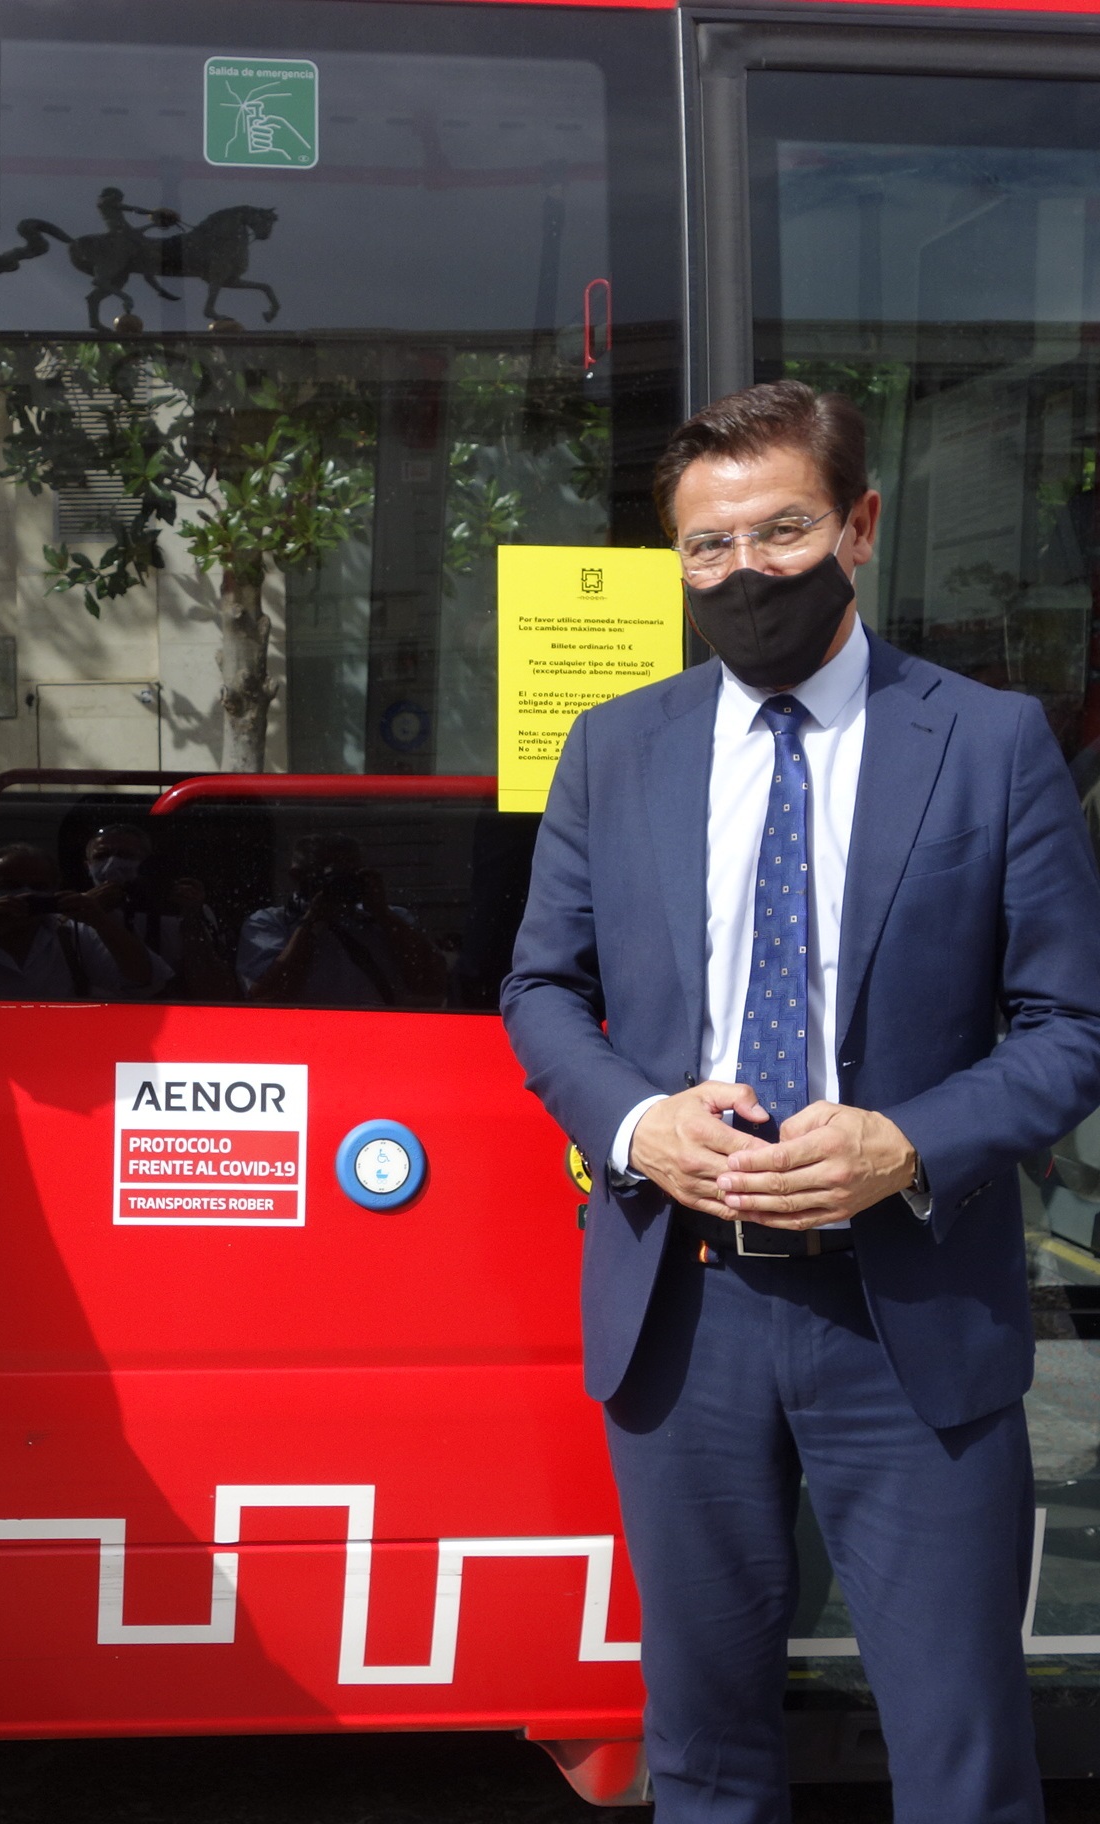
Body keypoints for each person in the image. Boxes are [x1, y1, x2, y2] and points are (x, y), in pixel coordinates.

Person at [500, 380, 1100, 1823]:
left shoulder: (990, 742)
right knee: (704, 1758)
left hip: (910, 1325)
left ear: (860, 527)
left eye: (783, 530)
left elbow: (1070, 1025)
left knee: (959, 1758)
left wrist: (908, 1140)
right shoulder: (615, 746)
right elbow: (537, 993)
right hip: (682, 1320)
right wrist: (640, 1125)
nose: (745, 570)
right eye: (709, 547)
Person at [0, 840, 171, 999]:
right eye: (11, 885)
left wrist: (101, 921)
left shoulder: (72, 936)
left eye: (39, 888)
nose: (25, 895)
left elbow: (147, 979)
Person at [240, 833, 445, 1007]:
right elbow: (266, 995)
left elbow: (432, 983)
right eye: (330, 876)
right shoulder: (270, 923)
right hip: (303, 1034)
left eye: (350, 875)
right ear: (297, 876)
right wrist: (310, 924)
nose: (341, 885)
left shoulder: (391, 919)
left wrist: (383, 914)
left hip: (380, 1032)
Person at [79, 822, 238, 1000]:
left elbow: (213, 990)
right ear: (88, 866)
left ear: (146, 863)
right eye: (101, 856)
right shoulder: (75, 914)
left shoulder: (177, 909)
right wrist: (86, 908)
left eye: (125, 855)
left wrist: (191, 920)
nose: (111, 864)